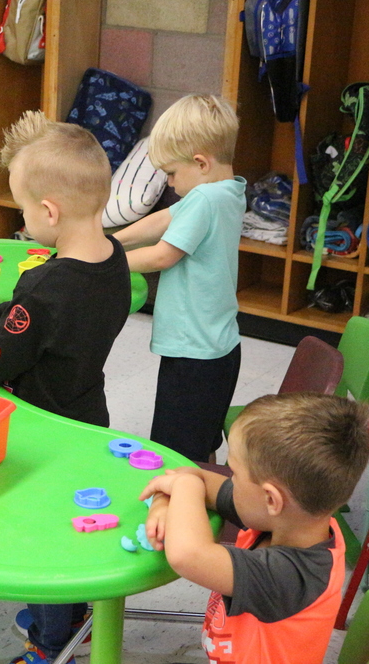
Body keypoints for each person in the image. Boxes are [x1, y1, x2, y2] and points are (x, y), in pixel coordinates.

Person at [0, 110, 131, 664]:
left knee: (43, 536)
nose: (21, 220)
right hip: (88, 413)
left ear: (49, 211)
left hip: (43, 426)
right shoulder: (115, 261)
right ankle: (81, 615)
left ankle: (48, 644)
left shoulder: (43, 286)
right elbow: (46, 327)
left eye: (21, 209)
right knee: (75, 517)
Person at [139, 393, 369, 664]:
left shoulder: (292, 576)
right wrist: (163, 503)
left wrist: (183, 489)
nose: (229, 479)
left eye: (235, 473)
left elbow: (188, 555)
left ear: (271, 499)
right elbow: (193, 474)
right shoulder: (295, 519)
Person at [113, 94, 247, 463]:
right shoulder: (227, 189)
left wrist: (107, 260)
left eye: (171, 173)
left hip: (195, 355)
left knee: (176, 455)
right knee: (199, 443)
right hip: (214, 347)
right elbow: (163, 220)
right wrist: (110, 239)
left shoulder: (205, 199)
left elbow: (162, 254)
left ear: (201, 163)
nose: (170, 183)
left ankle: (186, 513)